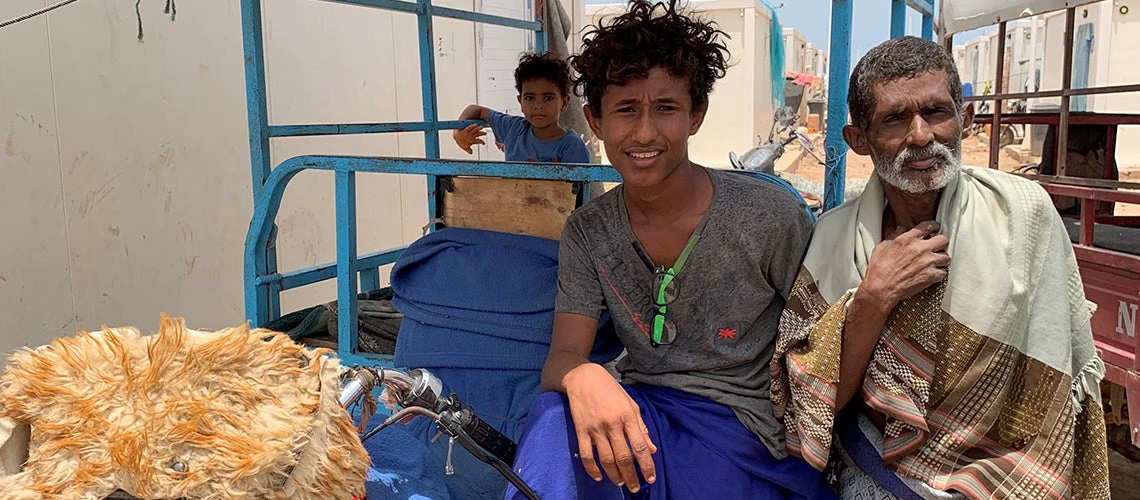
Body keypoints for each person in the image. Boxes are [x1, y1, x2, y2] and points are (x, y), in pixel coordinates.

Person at [505, 1, 834, 498]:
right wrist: (583, 376)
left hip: (743, 430)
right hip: (642, 411)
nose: (644, 133)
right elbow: (562, 357)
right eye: (625, 110)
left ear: (696, 114)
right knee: (553, 419)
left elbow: (822, 349)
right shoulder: (589, 231)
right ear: (594, 121)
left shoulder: (770, 216)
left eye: (665, 108)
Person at [771, 36, 1110, 499]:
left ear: (965, 120)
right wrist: (873, 299)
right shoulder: (833, 238)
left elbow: (1058, 367)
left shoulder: (1022, 211)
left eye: (936, 112)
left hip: (1015, 469)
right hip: (883, 466)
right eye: (894, 119)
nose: (921, 136)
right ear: (859, 140)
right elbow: (817, 404)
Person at [453, 53, 590, 164]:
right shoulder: (513, 128)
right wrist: (457, 134)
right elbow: (476, 110)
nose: (538, 105)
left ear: (564, 103)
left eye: (548, 98)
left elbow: (575, 195)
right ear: (520, 102)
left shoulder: (571, 146)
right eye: (530, 98)